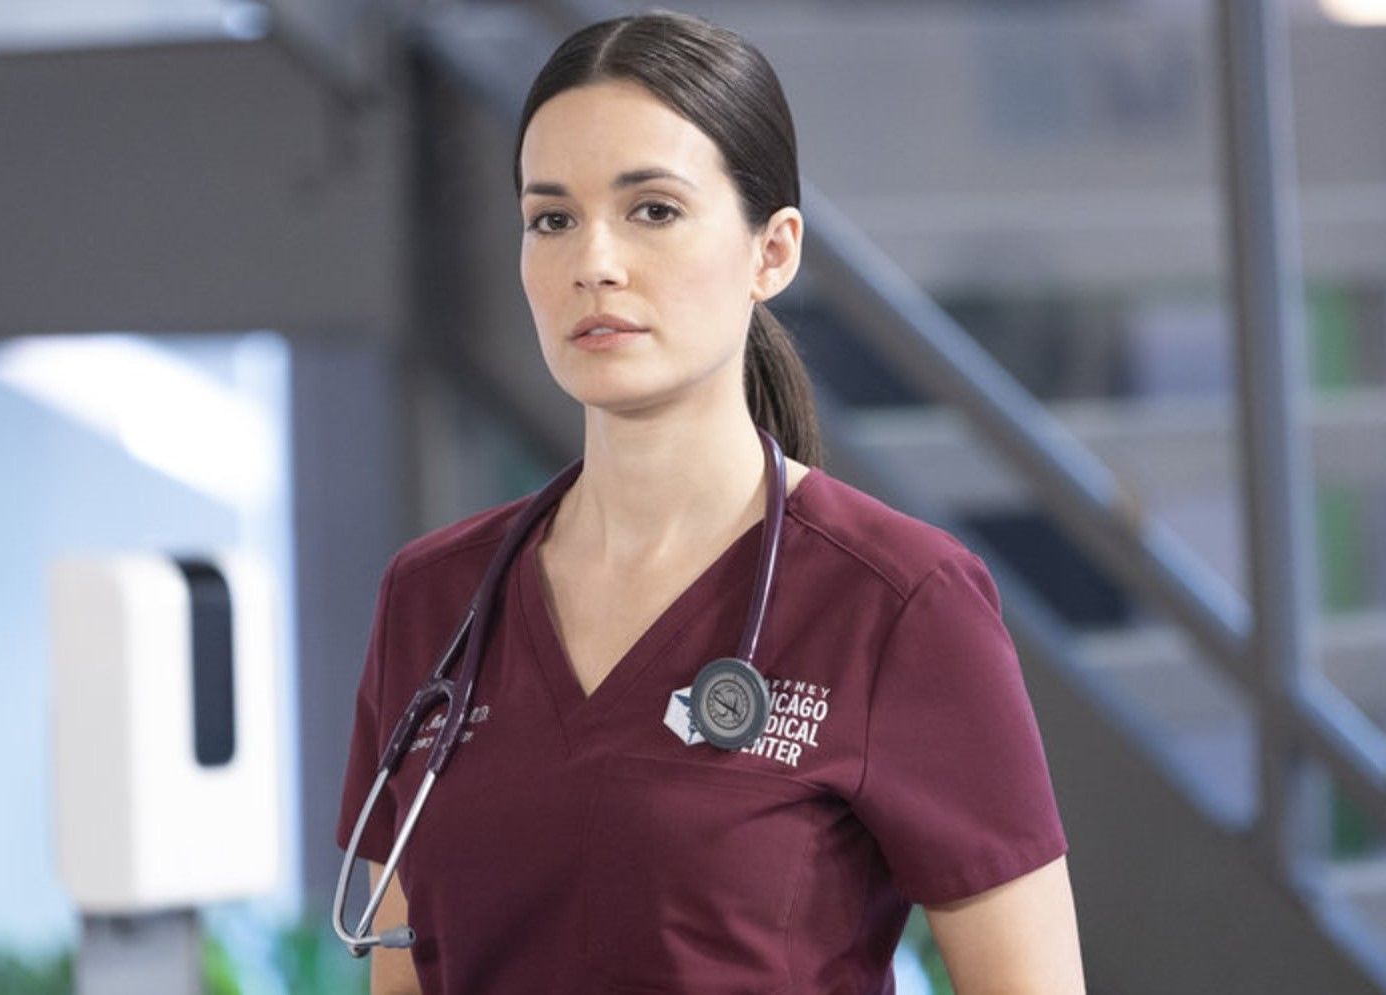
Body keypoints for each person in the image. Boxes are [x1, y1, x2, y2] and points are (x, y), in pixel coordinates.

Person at [337, 9, 1084, 993]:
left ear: (771, 253)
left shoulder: (900, 601)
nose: (591, 261)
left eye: (651, 209)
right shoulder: (434, 597)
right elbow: (402, 972)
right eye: (550, 217)